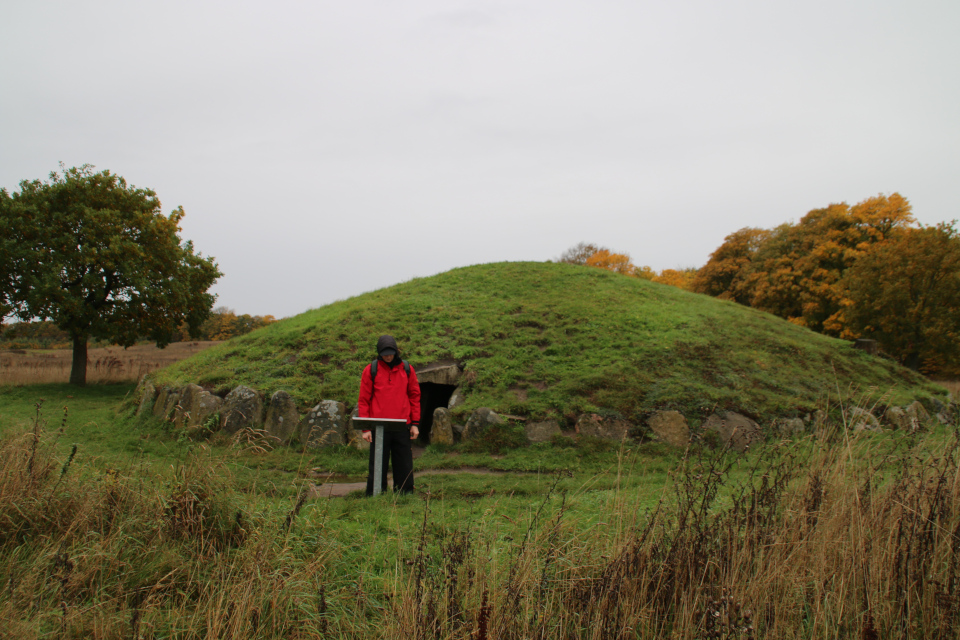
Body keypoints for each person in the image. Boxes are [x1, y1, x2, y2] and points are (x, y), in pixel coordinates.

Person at [357, 335, 421, 495]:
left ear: (396, 351)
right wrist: (365, 428)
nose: (388, 356)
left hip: (402, 425)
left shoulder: (407, 369)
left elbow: (414, 395)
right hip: (379, 427)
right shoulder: (371, 370)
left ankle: (405, 494)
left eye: (390, 352)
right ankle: (375, 495)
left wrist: (415, 424)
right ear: (379, 353)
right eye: (384, 353)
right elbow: (364, 399)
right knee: (377, 464)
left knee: (404, 464)